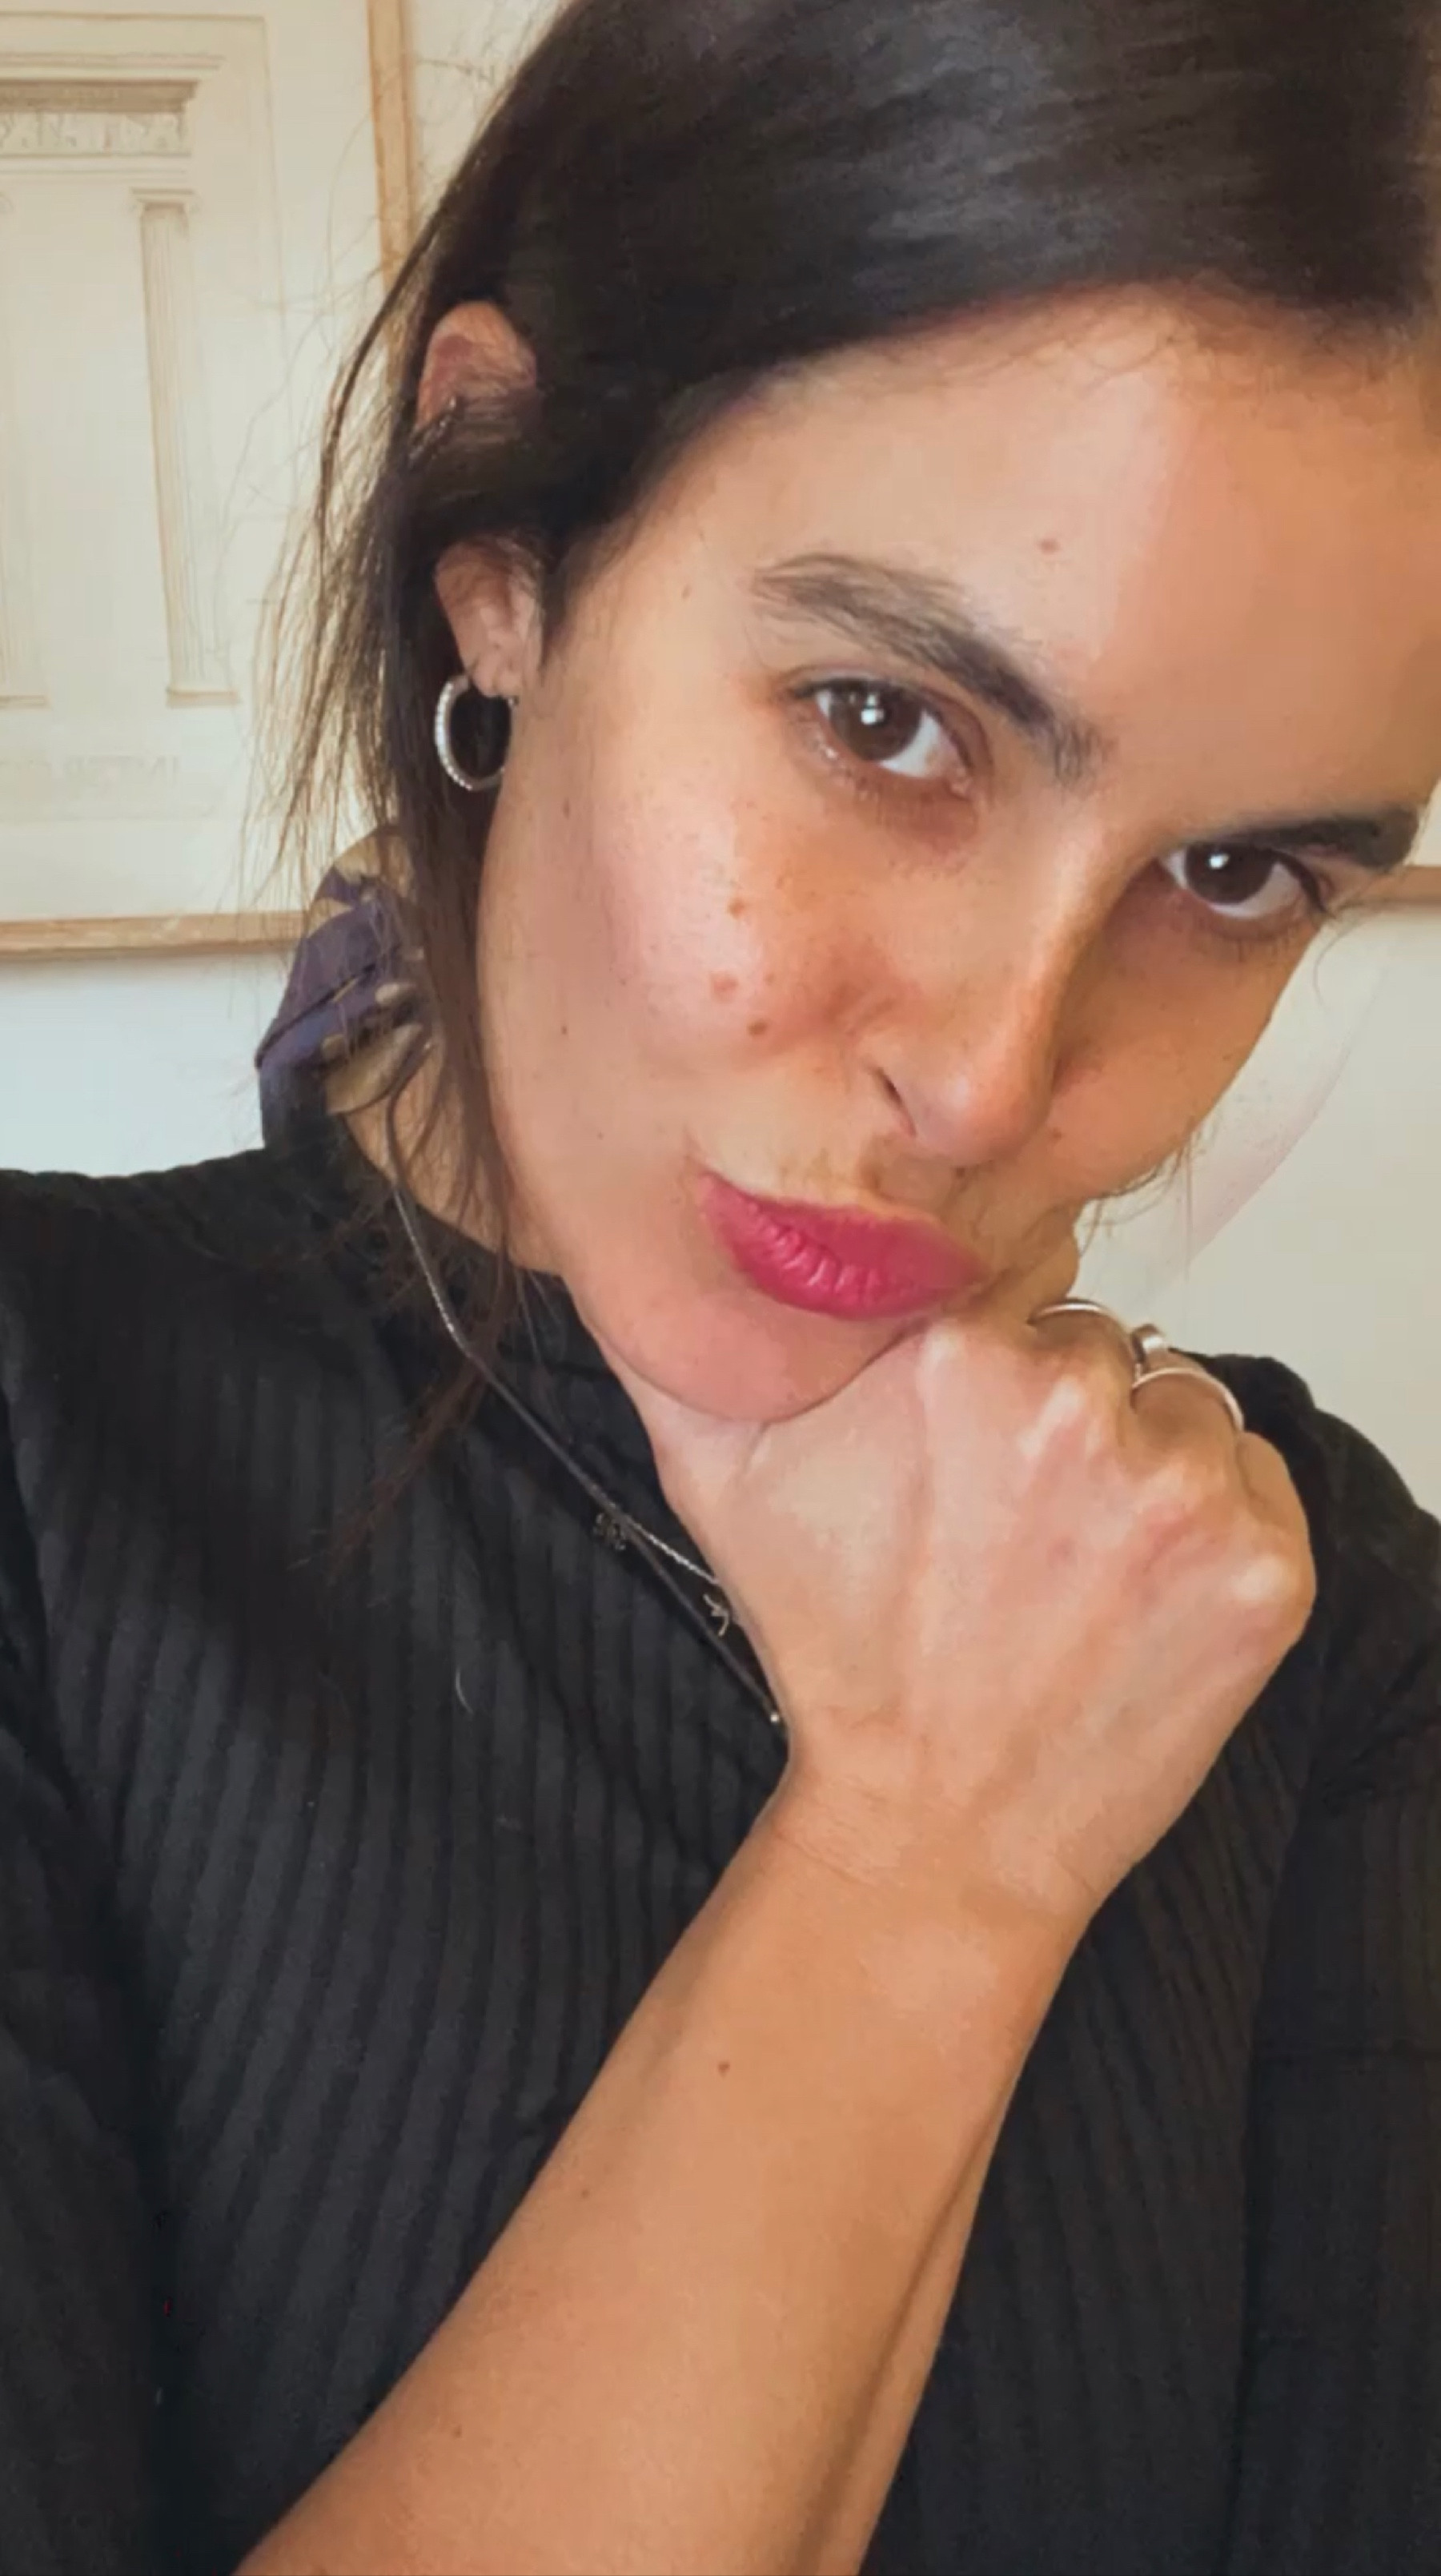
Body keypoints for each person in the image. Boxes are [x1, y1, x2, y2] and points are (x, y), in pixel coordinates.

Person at [2, 0, 1439, 2567]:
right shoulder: (44, 1459)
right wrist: (927, 1851)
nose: (998, 1079)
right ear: (502, 553)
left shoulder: (1311, 1625)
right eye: (883, 717)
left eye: (1236, 877)